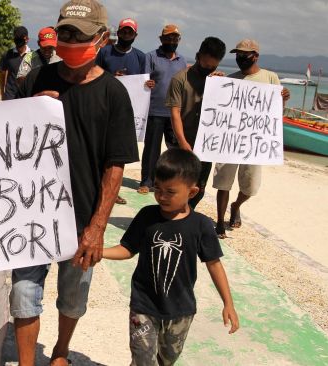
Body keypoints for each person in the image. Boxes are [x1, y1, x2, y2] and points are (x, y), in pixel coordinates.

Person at [12, 1, 139, 365]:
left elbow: (115, 166)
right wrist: (30, 111)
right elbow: (3, 142)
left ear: (102, 38)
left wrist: (98, 226)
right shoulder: (37, 79)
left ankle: (61, 350)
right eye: (64, 33)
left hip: (82, 219)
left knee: (73, 297)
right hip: (30, 213)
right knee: (22, 293)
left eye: (78, 36)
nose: (68, 41)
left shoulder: (114, 94)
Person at [103, 148, 239, 365]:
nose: (161, 196)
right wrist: (100, 252)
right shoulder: (147, 216)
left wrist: (228, 303)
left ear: (192, 192)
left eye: (170, 191)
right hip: (144, 306)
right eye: (158, 188)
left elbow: (214, 264)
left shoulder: (201, 225)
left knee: (166, 361)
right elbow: (127, 249)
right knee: (143, 360)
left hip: (181, 311)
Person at [212, 39, 290, 238]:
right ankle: (220, 222)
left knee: (250, 186)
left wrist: (283, 99)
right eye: (237, 55)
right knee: (223, 182)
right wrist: (214, 83)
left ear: (255, 56)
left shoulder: (270, 78)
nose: (240, 58)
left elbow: (275, 113)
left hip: (254, 142)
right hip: (230, 140)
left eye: (244, 55)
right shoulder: (231, 79)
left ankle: (236, 205)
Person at [165, 36, 227, 209]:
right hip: (182, 141)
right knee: (177, 185)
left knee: (198, 188)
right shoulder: (180, 79)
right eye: (205, 65)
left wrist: (221, 85)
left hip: (206, 144)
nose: (207, 69)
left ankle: (186, 215)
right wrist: (183, 142)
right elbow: (175, 113)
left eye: (212, 67)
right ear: (198, 56)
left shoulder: (219, 81)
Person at [95, 17, 146, 205]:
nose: (126, 34)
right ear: (119, 32)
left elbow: (143, 83)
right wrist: (111, 77)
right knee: (101, 151)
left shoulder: (140, 57)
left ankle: (112, 192)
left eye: (129, 32)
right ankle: (98, 189)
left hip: (126, 114)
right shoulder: (104, 51)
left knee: (118, 155)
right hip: (103, 110)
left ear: (135, 35)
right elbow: (94, 75)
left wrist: (149, 84)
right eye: (123, 31)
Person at [137, 24, 187, 194]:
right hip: (154, 110)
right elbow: (142, 80)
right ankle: (146, 182)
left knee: (174, 151)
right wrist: (147, 82)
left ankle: (169, 182)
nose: (171, 41)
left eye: (175, 38)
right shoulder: (150, 57)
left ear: (179, 40)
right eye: (168, 38)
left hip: (175, 113)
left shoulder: (182, 61)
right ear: (161, 39)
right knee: (151, 149)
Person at [0, 26, 31, 100]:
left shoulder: (32, 56)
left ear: (27, 39)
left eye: (20, 38)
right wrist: (2, 94)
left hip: (25, 98)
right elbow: (2, 75)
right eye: (16, 38)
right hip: (9, 96)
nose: (17, 41)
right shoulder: (7, 55)